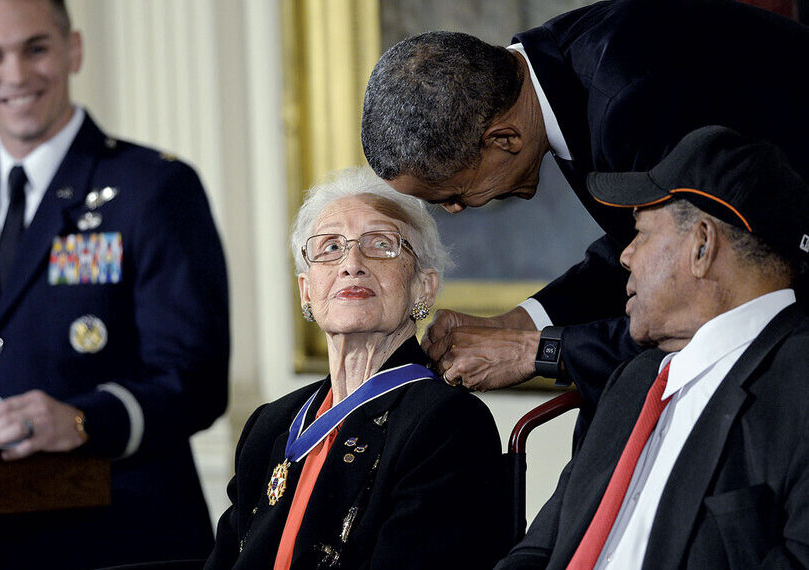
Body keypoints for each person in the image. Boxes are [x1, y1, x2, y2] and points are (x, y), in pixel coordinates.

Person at [360, 0, 809, 410]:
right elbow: (645, 248)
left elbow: (700, 295)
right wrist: (519, 323)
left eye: (454, 194)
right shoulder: (553, 73)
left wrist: (535, 351)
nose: (456, 211)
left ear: (504, 139)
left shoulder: (628, 96)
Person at [0, 0, 229, 567]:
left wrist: (83, 420)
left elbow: (195, 380)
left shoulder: (152, 187)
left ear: (72, 50)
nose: (15, 75)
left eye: (35, 48)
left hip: (120, 539)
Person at [496, 125, 809, 569]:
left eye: (640, 232)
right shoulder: (635, 379)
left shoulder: (797, 385)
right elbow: (541, 548)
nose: (625, 255)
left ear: (701, 246)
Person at [205, 167, 509, 570]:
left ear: (423, 287)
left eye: (381, 244)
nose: (352, 263)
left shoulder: (447, 424)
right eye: (330, 247)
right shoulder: (270, 424)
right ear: (306, 291)